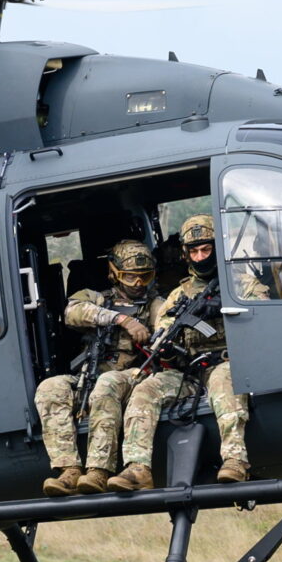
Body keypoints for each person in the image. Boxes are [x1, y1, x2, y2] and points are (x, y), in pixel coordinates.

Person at [107, 212, 252, 489]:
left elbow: (261, 320)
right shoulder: (178, 295)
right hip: (190, 373)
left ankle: (235, 460)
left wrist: (223, 307)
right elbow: (162, 333)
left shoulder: (241, 283)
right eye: (194, 251)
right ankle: (138, 467)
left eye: (206, 249)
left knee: (224, 381)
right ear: (186, 254)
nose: (200, 256)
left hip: (228, 363)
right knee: (145, 389)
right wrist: (167, 351)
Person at [33, 240, 158, 496]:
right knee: (50, 388)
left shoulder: (156, 305)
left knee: (108, 383)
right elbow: (72, 312)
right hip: (91, 374)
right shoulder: (98, 298)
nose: (138, 284)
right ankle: (69, 470)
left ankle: (99, 471)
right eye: (129, 276)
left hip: (133, 376)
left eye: (144, 277)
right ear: (114, 273)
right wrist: (121, 319)